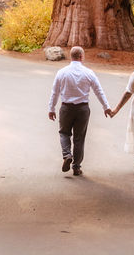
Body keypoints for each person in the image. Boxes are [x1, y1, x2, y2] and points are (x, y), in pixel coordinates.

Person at [47, 46, 113, 176]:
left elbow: (55, 92)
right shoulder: (88, 73)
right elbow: (98, 91)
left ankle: (67, 154)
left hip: (66, 108)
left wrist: (51, 108)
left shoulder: (62, 72)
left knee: (64, 133)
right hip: (82, 109)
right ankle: (76, 167)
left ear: (71, 56)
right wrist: (106, 107)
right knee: (79, 138)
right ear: (81, 57)